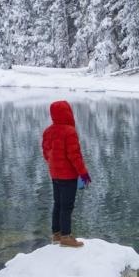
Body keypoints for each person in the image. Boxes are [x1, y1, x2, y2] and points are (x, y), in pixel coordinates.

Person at [41, 100, 91, 247]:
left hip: (55, 174)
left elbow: (46, 153)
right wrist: (84, 174)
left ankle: (56, 234)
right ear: (68, 112)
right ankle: (66, 237)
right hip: (68, 176)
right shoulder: (69, 132)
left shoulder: (48, 131)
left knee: (58, 204)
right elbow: (74, 156)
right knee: (67, 206)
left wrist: (54, 164)